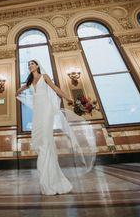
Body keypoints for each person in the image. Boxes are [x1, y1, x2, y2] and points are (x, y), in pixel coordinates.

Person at [15, 59, 96, 196]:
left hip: (46, 109)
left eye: (32, 64)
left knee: (46, 139)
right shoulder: (29, 82)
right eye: (28, 65)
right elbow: (17, 91)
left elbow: (55, 88)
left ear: (38, 66)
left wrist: (68, 98)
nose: (30, 66)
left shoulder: (44, 77)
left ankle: (50, 177)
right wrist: (19, 91)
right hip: (37, 112)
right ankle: (48, 174)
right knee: (40, 140)